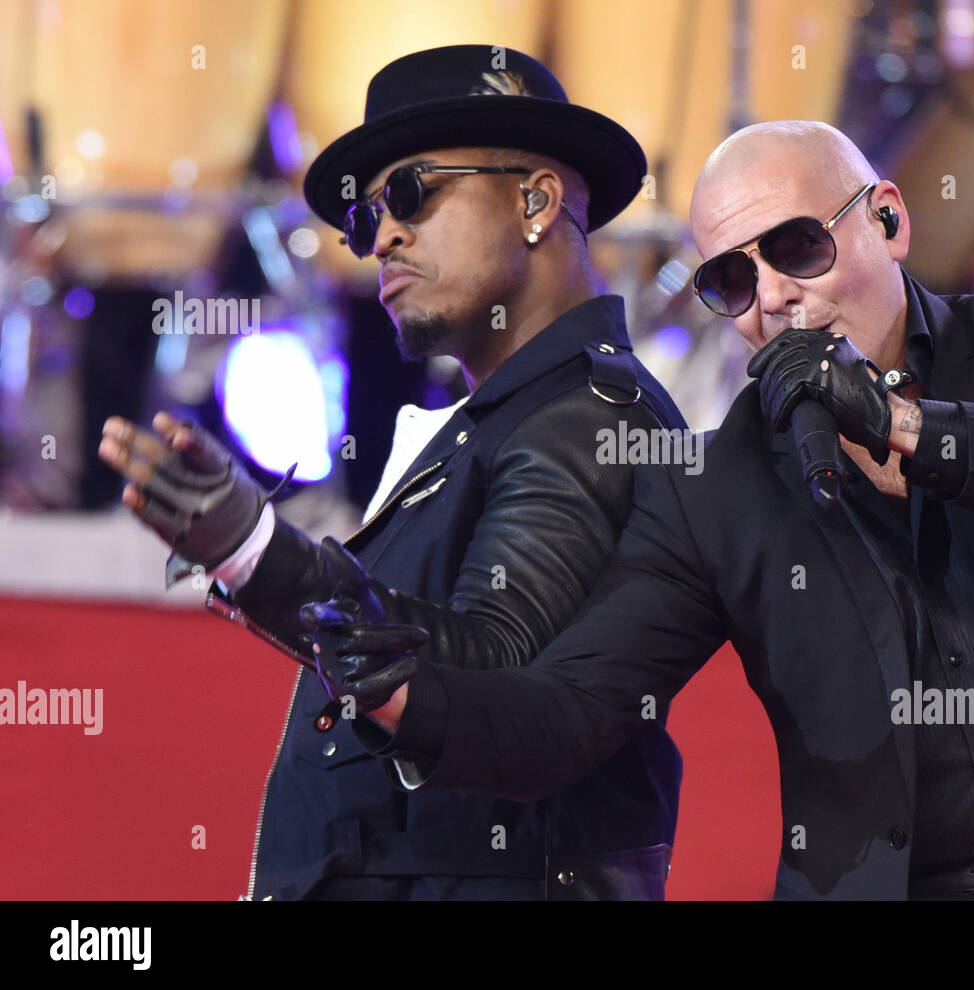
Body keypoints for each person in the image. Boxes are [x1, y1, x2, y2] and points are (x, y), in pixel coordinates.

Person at [318, 119, 974, 900]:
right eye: (731, 279)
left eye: (796, 246)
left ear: (889, 221)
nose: (775, 297)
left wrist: (908, 425)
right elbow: (571, 711)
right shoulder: (715, 489)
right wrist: (407, 698)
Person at [96, 45, 687, 900]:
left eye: (410, 193)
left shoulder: (592, 418)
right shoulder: (502, 422)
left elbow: (492, 674)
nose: (385, 239)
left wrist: (257, 553)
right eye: (366, 220)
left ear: (536, 200)